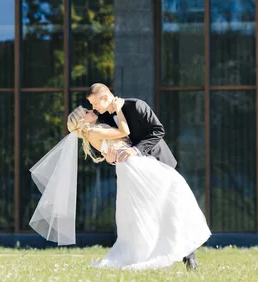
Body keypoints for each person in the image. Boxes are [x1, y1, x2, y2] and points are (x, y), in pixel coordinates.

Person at [29, 96, 211, 271]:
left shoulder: (96, 129)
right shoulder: (93, 131)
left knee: (162, 201)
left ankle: (180, 250)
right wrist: (118, 110)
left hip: (130, 165)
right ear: (82, 120)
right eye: (86, 111)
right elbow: (124, 132)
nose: (90, 110)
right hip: (133, 165)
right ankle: (172, 250)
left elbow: (111, 149)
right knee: (173, 190)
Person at [86, 83, 201, 270]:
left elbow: (158, 131)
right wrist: (110, 154)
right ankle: (150, 256)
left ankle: (189, 256)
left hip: (158, 162)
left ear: (105, 98)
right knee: (146, 214)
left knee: (171, 209)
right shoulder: (104, 118)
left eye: (95, 103)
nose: (94, 108)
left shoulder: (137, 106)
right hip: (134, 174)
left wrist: (136, 150)